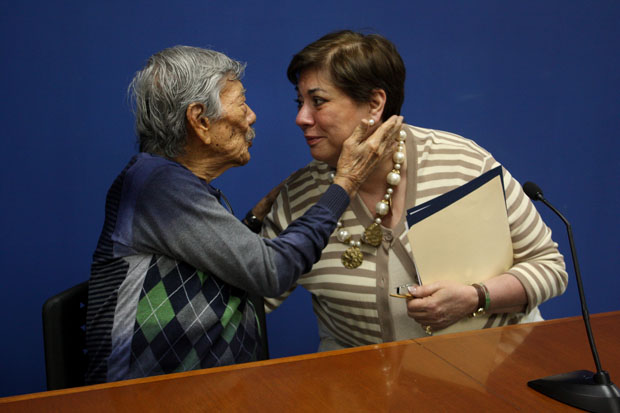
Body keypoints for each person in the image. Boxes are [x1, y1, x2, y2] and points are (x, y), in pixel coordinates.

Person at [85, 45, 403, 384]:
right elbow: (272, 272)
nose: (251, 116)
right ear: (200, 120)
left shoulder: (171, 183)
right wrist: (345, 183)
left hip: (212, 392)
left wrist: (252, 221)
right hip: (150, 399)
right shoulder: (157, 186)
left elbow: (210, 267)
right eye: (241, 104)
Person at [259, 31, 568, 351]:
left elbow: (549, 267)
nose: (300, 118)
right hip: (365, 390)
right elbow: (251, 301)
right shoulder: (299, 199)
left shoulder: (463, 164)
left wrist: (476, 297)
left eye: (318, 101)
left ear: (375, 103)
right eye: (300, 103)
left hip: (496, 375)